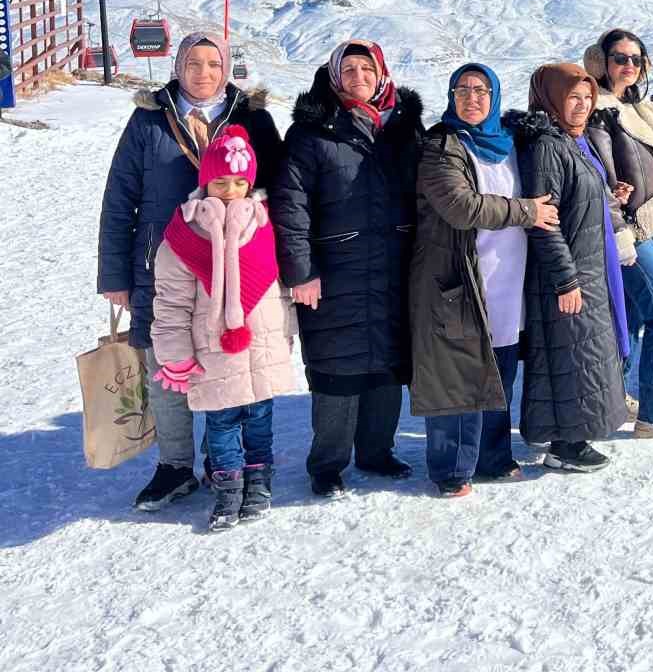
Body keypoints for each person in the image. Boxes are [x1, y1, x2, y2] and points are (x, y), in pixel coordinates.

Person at [98, 29, 282, 511]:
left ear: (227, 70)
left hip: (236, 273)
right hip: (165, 265)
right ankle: (175, 466)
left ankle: (222, 461)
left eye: (213, 64)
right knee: (168, 365)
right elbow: (120, 199)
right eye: (193, 64)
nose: (203, 74)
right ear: (177, 67)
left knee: (228, 366)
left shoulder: (252, 119)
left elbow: (279, 192)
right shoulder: (149, 121)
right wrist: (115, 275)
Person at [273, 40, 423, 498]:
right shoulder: (311, 132)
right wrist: (300, 271)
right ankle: (327, 464)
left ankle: (377, 452)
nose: (359, 75)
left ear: (382, 74)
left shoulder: (405, 128)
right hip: (334, 271)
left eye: (367, 67)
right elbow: (290, 205)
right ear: (334, 75)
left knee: (387, 368)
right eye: (349, 68)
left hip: (396, 267)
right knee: (336, 370)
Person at [409, 63, 561, 497]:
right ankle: (451, 469)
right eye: (462, 90)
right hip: (457, 281)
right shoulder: (442, 145)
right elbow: (461, 206)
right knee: (458, 378)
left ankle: (493, 457)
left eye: (480, 90)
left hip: (507, 281)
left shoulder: (510, 144)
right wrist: (526, 211)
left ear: (494, 96)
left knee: (500, 373)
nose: (471, 98)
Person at [149, 127, 293, 531]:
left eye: (239, 182)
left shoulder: (264, 224)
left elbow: (276, 287)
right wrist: (175, 355)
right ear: (204, 181)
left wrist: (286, 334)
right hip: (212, 350)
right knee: (222, 423)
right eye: (220, 182)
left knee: (261, 418)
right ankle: (228, 490)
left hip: (260, 345)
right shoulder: (184, 233)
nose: (230, 190)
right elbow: (172, 303)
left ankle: (259, 483)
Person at [512, 64, 632, 471]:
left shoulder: (572, 141)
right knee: (572, 356)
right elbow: (545, 221)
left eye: (587, 98)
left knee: (578, 355)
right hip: (568, 272)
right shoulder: (547, 145)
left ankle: (566, 436)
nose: (581, 106)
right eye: (572, 98)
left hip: (589, 266)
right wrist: (566, 278)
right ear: (552, 99)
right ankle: (567, 445)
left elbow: (575, 197)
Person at [581, 30, 653, 439]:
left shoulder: (633, 108)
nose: (628, 66)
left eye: (635, 59)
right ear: (601, 60)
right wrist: (618, 211)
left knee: (628, 319)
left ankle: (612, 399)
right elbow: (599, 169)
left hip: (647, 221)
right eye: (619, 58)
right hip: (626, 230)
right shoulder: (600, 110)